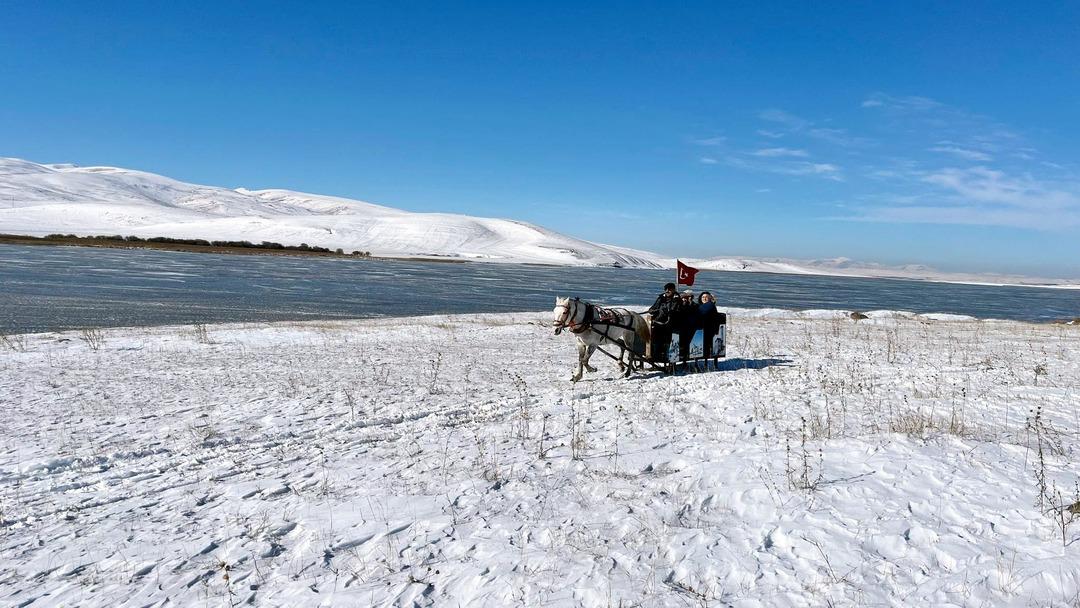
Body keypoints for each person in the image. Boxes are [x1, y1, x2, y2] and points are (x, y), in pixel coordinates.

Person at [647, 283, 679, 362]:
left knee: (667, 338)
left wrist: (666, 311)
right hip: (658, 322)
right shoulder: (661, 297)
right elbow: (653, 308)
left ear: (674, 290)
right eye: (666, 289)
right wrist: (654, 310)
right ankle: (655, 355)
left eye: (669, 289)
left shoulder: (677, 299)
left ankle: (667, 355)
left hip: (671, 323)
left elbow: (674, 310)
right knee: (654, 337)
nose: (667, 291)